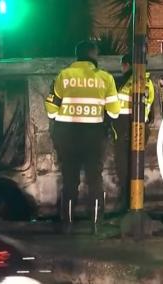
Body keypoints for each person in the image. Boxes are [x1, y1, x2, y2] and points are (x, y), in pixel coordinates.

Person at [45, 41, 120, 234]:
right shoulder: (105, 78)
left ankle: (67, 225)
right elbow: (114, 112)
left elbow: (51, 109)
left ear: (77, 56)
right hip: (93, 136)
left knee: (69, 180)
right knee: (95, 180)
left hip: (67, 135)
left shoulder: (64, 76)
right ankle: (97, 225)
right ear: (94, 55)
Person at [113, 54, 155, 213]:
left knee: (124, 171)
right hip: (140, 131)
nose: (121, 68)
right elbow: (151, 114)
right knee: (136, 170)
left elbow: (112, 108)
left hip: (124, 132)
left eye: (122, 65)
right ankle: (137, 204)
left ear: (128, 65)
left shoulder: (122, 82)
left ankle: (127, 207)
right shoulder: (148, 82)